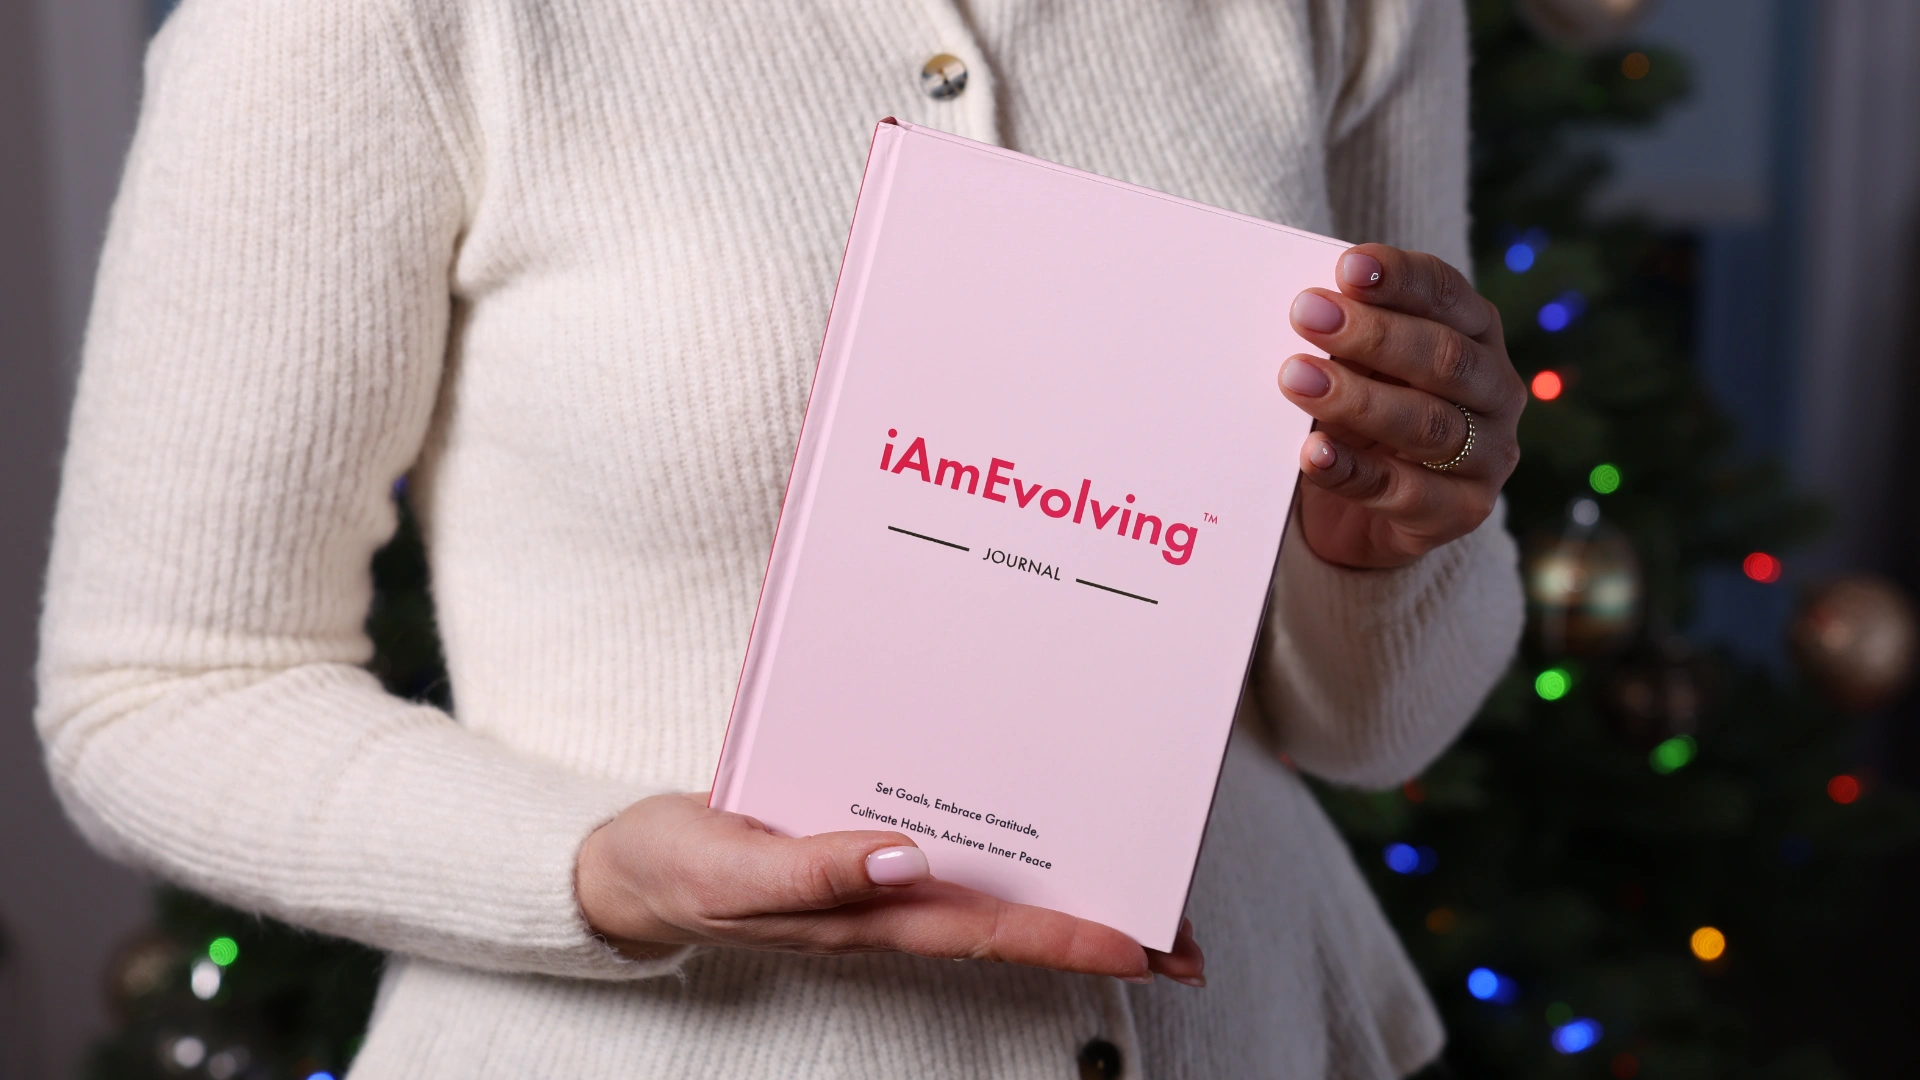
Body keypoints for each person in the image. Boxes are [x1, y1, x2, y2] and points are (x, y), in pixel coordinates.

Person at [36, 0, 1525, 1076]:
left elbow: (1373, 728)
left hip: (1257, 1032)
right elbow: (158, 689)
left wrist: (1386, 540)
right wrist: (597, 872)